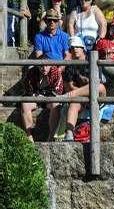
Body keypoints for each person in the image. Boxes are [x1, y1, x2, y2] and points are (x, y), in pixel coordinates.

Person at [20, 9, 67, 142]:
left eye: (54, 20)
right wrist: (45, 64)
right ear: (45, 21)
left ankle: (51, 137)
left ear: (58, 22)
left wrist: (60, 67)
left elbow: (67, 54)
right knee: (25, 103)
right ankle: (29, 137)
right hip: (43, 69)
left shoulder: (63, 36)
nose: (52, 22)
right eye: (49, 20)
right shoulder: (39, 37)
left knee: (56, 103)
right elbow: (38, 55)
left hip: (57, 71)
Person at [62, 36, 106, 141]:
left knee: (98, 86)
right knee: (74, 103)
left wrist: (84, 85)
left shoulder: (93, 61)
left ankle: (72, 96)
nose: (75, 49)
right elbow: (69, 87)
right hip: (81, 98)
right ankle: (69, 133)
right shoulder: (69, 66)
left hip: (97, 95)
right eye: (72, 48)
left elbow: (98, 83)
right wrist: (82, 90)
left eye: (78, 47)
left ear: (83, 49)